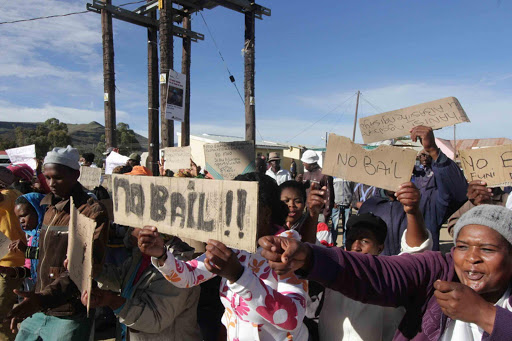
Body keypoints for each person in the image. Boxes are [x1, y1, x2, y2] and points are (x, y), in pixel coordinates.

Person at [260, 204, 512, 340]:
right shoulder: (438, 270)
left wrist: (484, 315)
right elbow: (380, 273)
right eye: (462, 246)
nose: (471, 259)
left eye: (487, 249)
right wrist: (308, 256)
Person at [137, 172, 309, 341]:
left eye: (238, 206)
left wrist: (239, 276)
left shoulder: (289, 248)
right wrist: (161, 255)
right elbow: (188, 276)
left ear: (265, 212)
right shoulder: (235, 245)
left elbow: (292, 318)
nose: (230, 214)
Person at [8, 146, 109, 341]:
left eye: (58, 177)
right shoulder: (48, 208)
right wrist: (25, 258)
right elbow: (47, 254)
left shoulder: (91, 212)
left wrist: (41, 299)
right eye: (47, 177)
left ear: (75, 175)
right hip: (40, 305)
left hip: (68, 311)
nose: (51, 183)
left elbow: (85, 269)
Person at [318, 182, 433, 341]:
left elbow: (416, 250)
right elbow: (308, 252)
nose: (356, 247)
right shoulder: (334, 268)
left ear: (380, 248)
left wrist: (412, 212)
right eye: (351, 240)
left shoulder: (391, 276)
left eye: (364, 241)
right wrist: (312, 214)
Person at [359, 126, 467, 253]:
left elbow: (458, 192)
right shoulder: (369, 207)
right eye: (384, 164)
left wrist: (433, 150)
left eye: (397, 164)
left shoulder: (427, 201)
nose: (390, 169)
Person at [81, 228, 202, 341]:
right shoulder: (142, 256)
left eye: (135, 225)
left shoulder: (176, 266)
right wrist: (95, 271)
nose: (130, 231)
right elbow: (122, 279)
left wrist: (111, 301)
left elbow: (154, 318)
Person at [0, 167, 27, 340]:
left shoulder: (8, 196)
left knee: (2, 314)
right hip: (7, 260)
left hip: (8, 264)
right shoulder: (14, 194)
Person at [2, 193, 46, 292]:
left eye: (24, 215)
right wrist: (10, 271)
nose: (21, 221)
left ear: (38, 210)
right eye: (18, 217)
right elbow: (30, 271)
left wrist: (26, 249)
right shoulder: (32, 238)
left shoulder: (51, 235)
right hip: (38, 289)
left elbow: (50, 257)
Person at [300, 150, 334, 224]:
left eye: (304, 161)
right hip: (306, 212)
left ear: (311, 163)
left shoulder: (324, 175)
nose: (303, 163)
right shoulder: (305, 175)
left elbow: (330, 196)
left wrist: (326, 214)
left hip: (320, 214)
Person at [331, 177, 354, 246]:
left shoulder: (350, 177)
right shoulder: (334, 178)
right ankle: (333, 243)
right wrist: (333, 202)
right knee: (335, 225)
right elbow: (331, 190)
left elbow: (352, 189)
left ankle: (345, 244)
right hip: (336, 205)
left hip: (347, 205)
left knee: (346, 226)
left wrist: (352, 202)